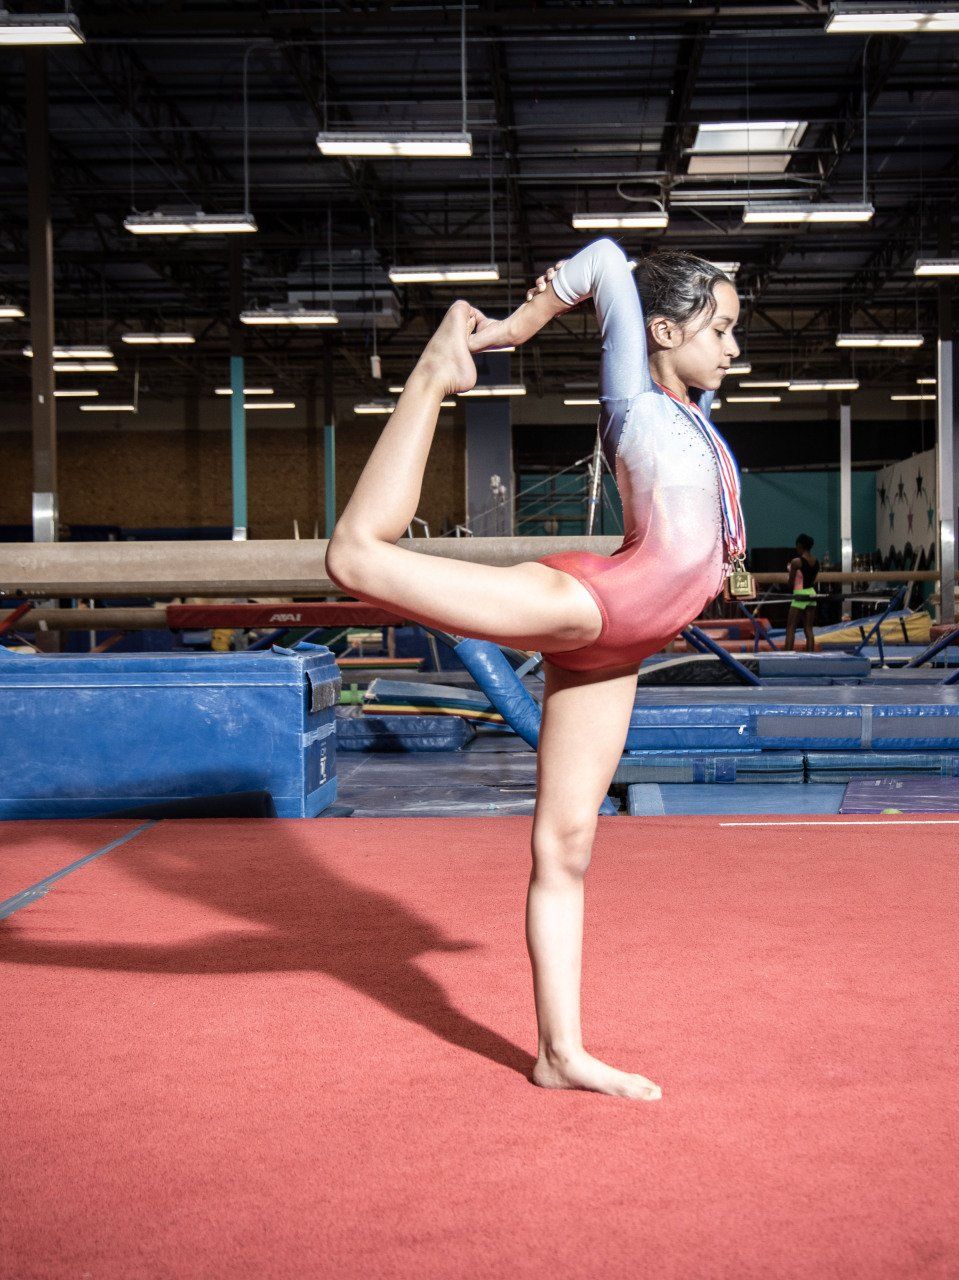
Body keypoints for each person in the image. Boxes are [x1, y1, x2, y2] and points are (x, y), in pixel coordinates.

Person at [326, 237, 742, 1101]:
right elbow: (607, 259)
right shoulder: (637, 393)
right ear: (663, 329)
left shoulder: (694, 413)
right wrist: (510, 331)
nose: (734, 347)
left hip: (624, 643)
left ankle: (559, 1053)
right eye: (722, 328)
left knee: (567, 847)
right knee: (358, 560)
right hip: (589, 605)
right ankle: (434, 375)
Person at [784, 533, 821, 652]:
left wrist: (790, 571)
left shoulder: (796, 562)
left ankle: (787, 658)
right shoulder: (816, 561)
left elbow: (790, 583)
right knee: (809, 630)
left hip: (800, 595)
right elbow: (812, 580)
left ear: (799, 546)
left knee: (790, 629)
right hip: (811, 593)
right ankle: (810, 656)